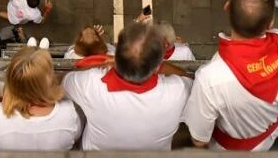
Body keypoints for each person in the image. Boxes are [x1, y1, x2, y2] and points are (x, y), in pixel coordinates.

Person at [185, 0, 278, 151]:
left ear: (227, 7)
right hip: (269, 135)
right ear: (270, 24)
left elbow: (199, 139)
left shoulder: (210, 78)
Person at [63, 21, 192, 151]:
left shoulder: (90, 83)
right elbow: (188, 77)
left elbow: (64, 80)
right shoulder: (177, 92)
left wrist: (103, 61)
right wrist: (159, 66)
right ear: (157, 66)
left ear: (116, 56)